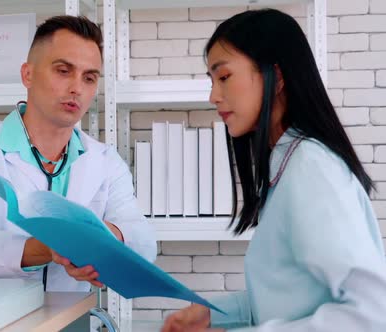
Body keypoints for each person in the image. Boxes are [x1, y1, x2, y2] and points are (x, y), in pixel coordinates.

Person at [162, 8, 386, 332]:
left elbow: (372, 313)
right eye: (212, 81)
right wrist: (213, 314)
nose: (213, 96)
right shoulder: (287, 165)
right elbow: (289, 297)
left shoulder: (312, 168)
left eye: (224, 77)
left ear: (276, 77)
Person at [0, 15, 156, 292]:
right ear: (27, 74)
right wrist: (52, 247)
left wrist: (107, 237)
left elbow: (144, 242)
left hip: (66, 318)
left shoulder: (106, 161)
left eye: (89, 78)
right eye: (63, 71)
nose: (77, 88)